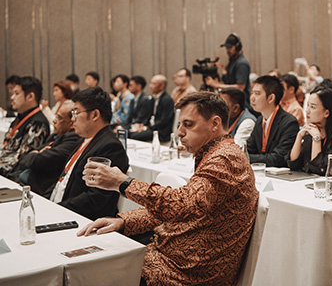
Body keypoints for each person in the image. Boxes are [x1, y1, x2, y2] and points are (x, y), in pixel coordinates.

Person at [78, 92, 258, 286]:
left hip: (184, 275)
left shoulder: (225, 159)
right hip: (173, 259)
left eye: (188, 125)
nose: (179, 132)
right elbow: (181, 211)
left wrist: (123, 182)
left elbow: (180, 205)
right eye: (180, 124)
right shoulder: (216, 153)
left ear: (215, 124)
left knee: (91, 269)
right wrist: (123, 222)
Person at [50, 87, 129, 220]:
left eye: (76, 112)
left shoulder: (110, 147)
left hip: (80, 220)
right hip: (60, 210)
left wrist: (57, 209)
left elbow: (95, 198)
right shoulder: (83, 140)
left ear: (94, 115)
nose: (72, 119)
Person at [12, 100, 83, 196]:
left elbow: (36, 160)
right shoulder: (56, 136)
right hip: (24, 181)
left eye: (59, 117)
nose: (54, 120)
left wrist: (36, 153)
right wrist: (36, 153)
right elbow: (25, 158)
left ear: (71, 123)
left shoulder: (72, 141)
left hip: (38, 191)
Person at [288, 87, 332, 180]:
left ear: (326, 113)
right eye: (307, 105)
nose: (307, 111)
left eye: (312, 107)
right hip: (314, 185)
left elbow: (319, 170)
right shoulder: (312, 130)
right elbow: (294, 164)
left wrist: (316, 139)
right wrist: (299, 136)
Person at [0, 76, 50, 177]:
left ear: (30, 96)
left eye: (16, 93)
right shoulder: (20, 117)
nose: (12, 97)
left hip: (14, 177)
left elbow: (22, 160)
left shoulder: (38, 123)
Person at [246, 75, 299, 166]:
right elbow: (249, 149)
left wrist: (245, 157)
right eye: (252, 93)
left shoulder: (289, 123)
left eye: (257, 93)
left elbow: (279, 158)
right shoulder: (259, 121)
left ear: (271, 98)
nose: (252, 98)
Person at [129, 75, 175, 143]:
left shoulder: (167, 100)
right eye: (150, 83)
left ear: (162, 86)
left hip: (161, 132)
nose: (150, 86)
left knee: (134, 136)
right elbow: (148, 116)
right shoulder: (152, 99)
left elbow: (164, 121)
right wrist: (143, 125)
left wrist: (148, 127)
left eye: (153, 83)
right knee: (130, 133)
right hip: (152, 128)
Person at [211, 34, 251, 104]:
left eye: (229, 48)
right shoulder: (232, 61)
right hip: (231, 101)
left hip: (240, 103)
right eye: (226, 48)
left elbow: (240, 87)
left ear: (237, 47)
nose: (227, 50)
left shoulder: (242, 63)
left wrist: (216, 85)